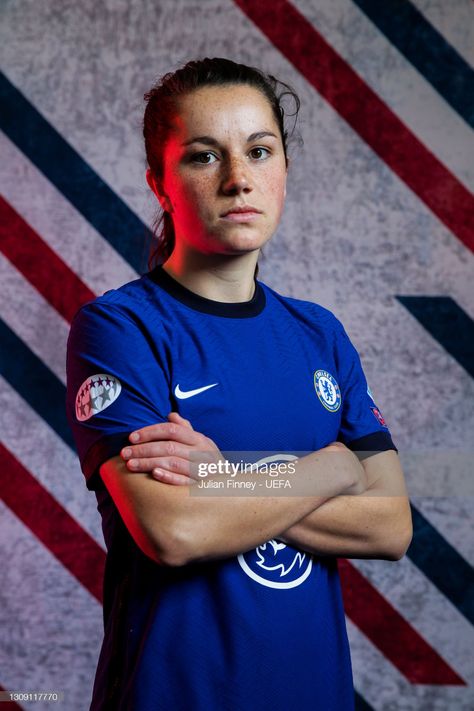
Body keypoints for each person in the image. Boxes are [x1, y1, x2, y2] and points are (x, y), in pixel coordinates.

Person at [66, 57, 412, 711]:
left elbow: (391, 525)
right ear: (159, 183)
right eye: (203, 156)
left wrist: (223, 475)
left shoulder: (320, 335)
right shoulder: (120, 327)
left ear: (283, 168)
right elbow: (174, 532)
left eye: (259, 150)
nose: (237, 179)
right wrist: (332, 469)